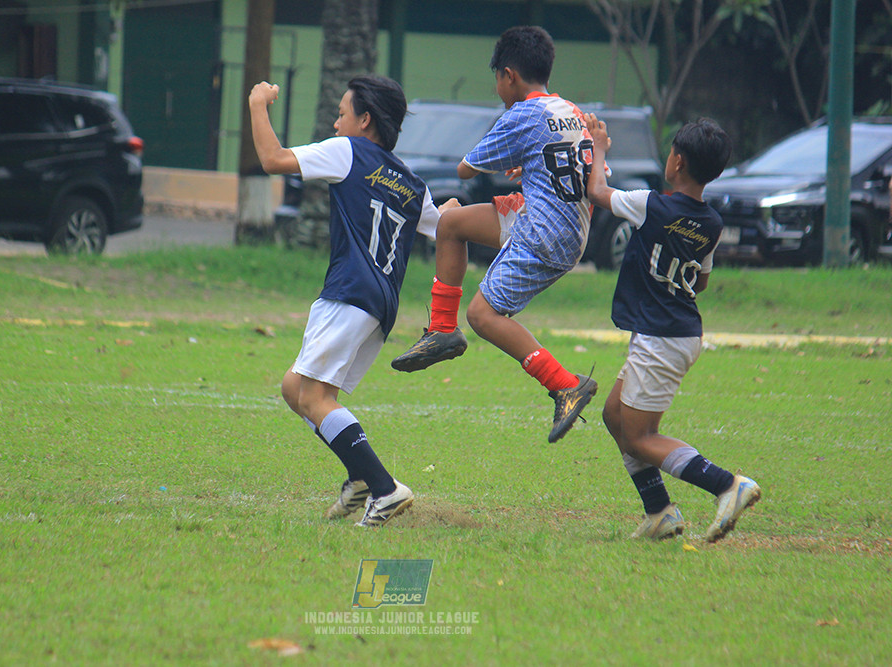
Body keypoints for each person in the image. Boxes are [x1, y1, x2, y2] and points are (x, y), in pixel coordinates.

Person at [248, 75, 443, 527]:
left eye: (341, 114)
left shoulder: (348, 151)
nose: (336, 124)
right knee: (296, 388)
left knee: (314, 395)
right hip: (381, 305)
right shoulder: (413, 183)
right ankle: (359, 478)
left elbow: (273, 159)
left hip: (349, 291)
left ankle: (384, 488)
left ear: (365, 119)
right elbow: (446, 225)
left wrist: (258, 104)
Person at [391, 25, 599, 442]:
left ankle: (565, 384)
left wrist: (519, 151)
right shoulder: (572, 112)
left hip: (542, 233)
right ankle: (441, 331)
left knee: (482, 315)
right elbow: (591, 171)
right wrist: (533, 162)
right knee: (451, 223)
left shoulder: (523, 114)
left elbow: (466, 169)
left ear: (509, 75)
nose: (497, 90)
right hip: (564, 224)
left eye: (496, 80)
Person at [584, 112, 761, 542]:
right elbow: (701, 281)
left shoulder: (651, 204)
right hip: (676, 331)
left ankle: (727, 485)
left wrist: (599, 148)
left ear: (677, 161)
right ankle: (660, 512)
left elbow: (597, 192)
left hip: (662, 337)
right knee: (614, 415)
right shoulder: (712, 223)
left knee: (640, 437)